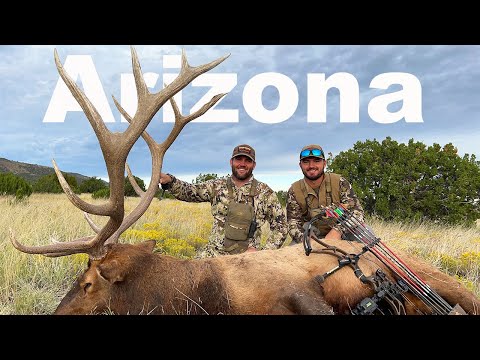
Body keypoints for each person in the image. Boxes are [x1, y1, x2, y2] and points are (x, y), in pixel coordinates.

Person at [159, 144, 288, 257]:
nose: (242, 164)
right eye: (238, 159)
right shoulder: (216, 186)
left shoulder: (265, 193)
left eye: (247, 161)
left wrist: (263, 254)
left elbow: (281, 227)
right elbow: (191, 191)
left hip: (246, 262)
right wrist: (170, 181)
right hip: (213, 257)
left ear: (253, 165)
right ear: (231, 162)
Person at [286, 144, 365, 244]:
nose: (311, 166)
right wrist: (305, 239)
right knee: (291, 253)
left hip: (343, 232)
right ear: (300, 165)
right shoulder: (294, 190)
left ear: (324, 163)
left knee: (365, 236)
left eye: (317, 161)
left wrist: (337, 231)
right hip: (311, 235)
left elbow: (357, 212)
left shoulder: (339, 182)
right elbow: (292, 223)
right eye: (306, 162)